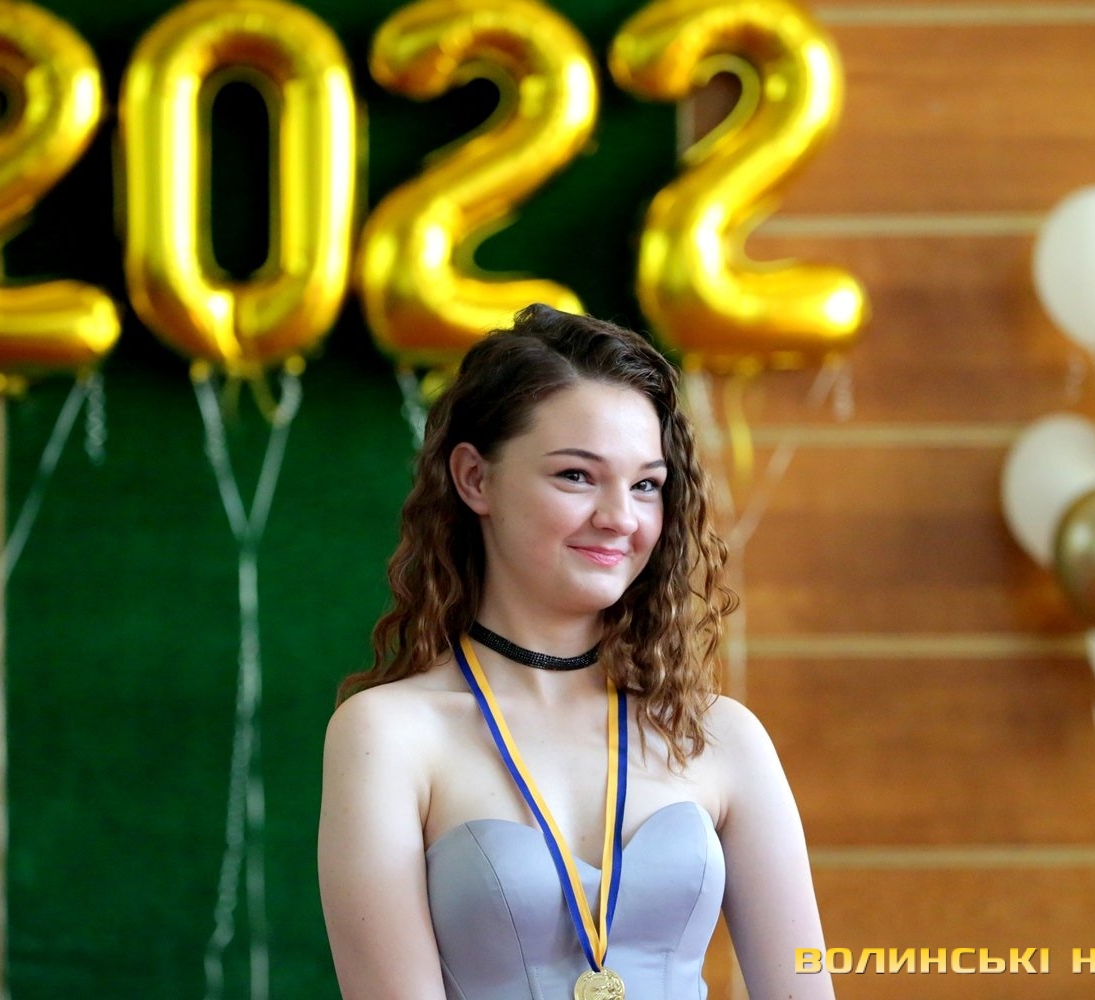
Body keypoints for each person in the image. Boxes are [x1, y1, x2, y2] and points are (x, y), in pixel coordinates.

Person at [318, 304, 833, 1000]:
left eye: (646, 485)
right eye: (577, 476)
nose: (620, 517)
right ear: (475, 479)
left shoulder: (720, 735)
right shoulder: (388, 734)